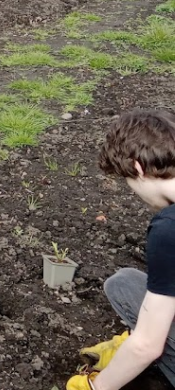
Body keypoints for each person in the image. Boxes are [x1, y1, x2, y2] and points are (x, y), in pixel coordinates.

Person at [65, 109, 175, 390]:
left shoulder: (169, 229)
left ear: (137, 168)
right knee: (125, 285)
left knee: (147, 338)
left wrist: (97, 387)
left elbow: (147, 346)